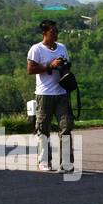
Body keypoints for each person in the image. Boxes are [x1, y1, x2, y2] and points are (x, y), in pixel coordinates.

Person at [26, 19, 73, 172]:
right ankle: (44, 161)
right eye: (52, 32)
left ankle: (66, 163)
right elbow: (30, 69)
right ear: (44, 33)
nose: (55, 34)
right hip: (44, 94)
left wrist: (63, 66)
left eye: (56, 31)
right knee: (43, 129)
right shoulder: (36, 49)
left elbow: (68, 65)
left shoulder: (62, 48)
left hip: (61, 93)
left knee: (65, 127)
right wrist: (50, 66)